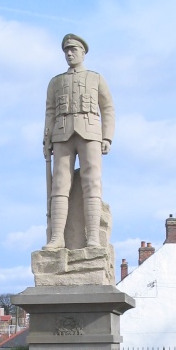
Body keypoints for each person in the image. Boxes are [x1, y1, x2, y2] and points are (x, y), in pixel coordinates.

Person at [43, 34, 115, 250]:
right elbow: (50, 111)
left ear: (83, 52)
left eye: (73, 49)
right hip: (62, 134)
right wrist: (47, 139)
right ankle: (57, 238)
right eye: (66, 50)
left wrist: (107, 136)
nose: (69, 53)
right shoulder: (56, 82)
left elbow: (108, 108)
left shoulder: (96, 78)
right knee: (60, 186)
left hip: (90, 133)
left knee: (92, 184)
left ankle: (93, 238)